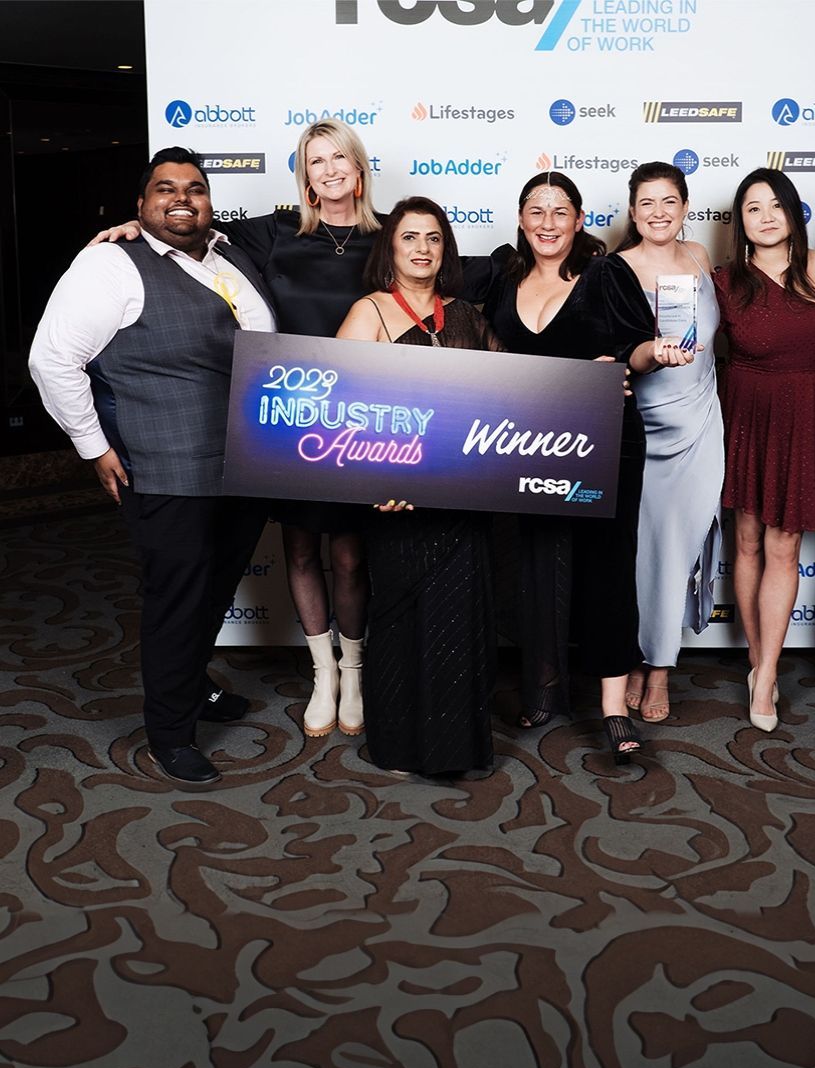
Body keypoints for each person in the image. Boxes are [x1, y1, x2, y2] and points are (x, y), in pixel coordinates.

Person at [90, 119, 382, 740]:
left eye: (339, 158)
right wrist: (130, 230)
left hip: (365, 424)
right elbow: (182, 225)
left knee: (352, 556)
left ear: (359, 168)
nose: (329, 170)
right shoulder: (273, 234)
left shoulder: (390, 241)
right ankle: (322, 674)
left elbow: (445, 284)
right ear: (303, 176)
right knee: (300, 548)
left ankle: (353, 673)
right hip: (289, 425)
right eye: (315, 161)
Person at [29, 147, 276, 785]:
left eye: (195, 188)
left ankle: (191, 687)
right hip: (165, 469)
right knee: (177, 599)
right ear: (140, 206)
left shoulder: (229, 257)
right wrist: (94, 447)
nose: (181, 199)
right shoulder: (111, 263)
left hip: (244, 465)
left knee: (215, 590)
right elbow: (51, 361)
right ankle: (171, 731)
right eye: (165, 189)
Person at [482, 170, 651, 763]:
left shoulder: (606, 274)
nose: (547, 223)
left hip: (604, 438)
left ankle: (612, 705)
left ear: (579, 220)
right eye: (536, 210)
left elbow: (638, 344)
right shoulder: (503, 278)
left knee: (606, 563)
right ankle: (544, 685)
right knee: (532, 561)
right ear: (521, 219)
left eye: (560, 212)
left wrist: (643, 359)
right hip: (527, 444)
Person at [336, 197, 502, 776]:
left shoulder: (470, 315)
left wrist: (596, 384)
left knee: (459, 617)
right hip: (396, 499)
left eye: (433, 238)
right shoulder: (370, 314)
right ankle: (400, 746)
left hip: (460, 497)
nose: (423, 248)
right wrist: (376, 480)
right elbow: (343, 409)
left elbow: (509, 395)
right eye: (409, 237)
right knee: (401, 619)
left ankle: (455, 748)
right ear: (391, 248)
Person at [713, 168, 815, 730]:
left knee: (784, 545)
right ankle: (753, 658)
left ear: (794, 212)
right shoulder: (723, 280)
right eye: (751, 208)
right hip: (747, 411)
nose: (765, 217)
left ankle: (766, 675)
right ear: (739, 221)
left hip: (809, 412)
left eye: (775, 205)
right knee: (746, 540)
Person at [609, 162, 725, 722]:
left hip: (701, 418)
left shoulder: (700, 257)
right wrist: (648, 353)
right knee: (641, 550)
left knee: (677, 547)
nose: (659, 212)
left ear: (685, 207)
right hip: (643, 423)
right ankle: (634, 655)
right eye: (647, 202)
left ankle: (660, 670)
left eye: (670, 201)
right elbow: (614, 352)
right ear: (633, 211)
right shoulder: (615, 269)